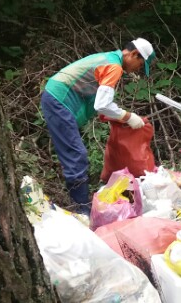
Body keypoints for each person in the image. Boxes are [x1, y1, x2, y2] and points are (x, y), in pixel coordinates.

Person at [41, 38, 155, 214]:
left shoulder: (109, 59)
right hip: (59, 100)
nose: (138, 70)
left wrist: (121, 118)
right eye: (140, 65)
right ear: (133, 54)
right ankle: (82, 211)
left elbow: (98, 104)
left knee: (75, 155)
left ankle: (79, 207)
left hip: (56, 98)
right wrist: (128, 116)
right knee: (76, 155)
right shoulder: (114, 67)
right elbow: (102, 104)